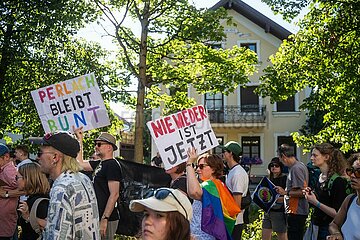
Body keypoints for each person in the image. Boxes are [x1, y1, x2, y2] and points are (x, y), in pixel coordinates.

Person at [36, 131, 100, 239]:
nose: (37, 158)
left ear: (55, 157)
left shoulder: (61, 188)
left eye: (39, 153)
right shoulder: (83, 178)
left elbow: (58, 236)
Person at [75, 127, 121, 240]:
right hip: (97, 216)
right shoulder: (99, 163)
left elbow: (114, 194)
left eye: (99, 144)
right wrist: (80, 139)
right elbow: (79, 164)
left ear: (109, 147)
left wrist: (105, 219)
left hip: (107, 218)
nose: (96, 146)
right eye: (96, 143)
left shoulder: (112, 165)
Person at [186, 148, 240, 240]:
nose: (198, 169)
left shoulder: (210, 185)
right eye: (197, 166)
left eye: (202, 166)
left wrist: (189, 164)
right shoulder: (218, 184)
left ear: (213, 169)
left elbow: (193, 192)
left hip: (203, 236)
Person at [303, 143, 349, 239]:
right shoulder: (320, 176)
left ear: (326, 157)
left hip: (328, 230)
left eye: (315, 155)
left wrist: (316, 202)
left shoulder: (338, 181)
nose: (311, 158)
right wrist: (311, 194)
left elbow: (338, 214)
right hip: (316, 226)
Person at [275, 144, 309, 240]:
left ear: (284, 156)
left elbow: (302, 192)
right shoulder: (299, 166)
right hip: (296, 211)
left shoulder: (296, 168)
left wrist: (285, 193)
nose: (281, 162)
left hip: (296, 212)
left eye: (280, 159)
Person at [327, 153, 360, 240]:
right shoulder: (350, 199)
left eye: (359, 172)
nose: (352, 175)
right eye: (351, 171)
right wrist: (336, 234)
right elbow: (334, 224)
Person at [221, 141, 249, 240]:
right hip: (231, 219)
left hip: (234, 221)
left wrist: (229, 221)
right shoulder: (232, 171)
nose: (222, 153)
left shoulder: (238, 173)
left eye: (224, 151)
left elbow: (237, 202)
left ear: (231, 153)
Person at [16, 162, 50, 239]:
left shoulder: (39, 202)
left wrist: (28, 217)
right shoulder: (34, 198)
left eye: (17, 177)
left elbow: (48, 226)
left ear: (27, 178)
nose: (15, 181)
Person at [262, 157, 288, 240]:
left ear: (281, 167)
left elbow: (287, 195)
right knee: (265, 237)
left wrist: (275, 199)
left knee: (282, 237)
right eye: (272, 165)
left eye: (277, 165)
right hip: (267, 211)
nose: (274, 167)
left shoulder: (285, 179)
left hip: (279, 212)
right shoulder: (268, 179)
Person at [0, 143, 19, 240]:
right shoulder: (3, 169)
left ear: (6, 157)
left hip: (5, 222)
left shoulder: (9, 170)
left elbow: (25, 188)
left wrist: (6, 194)